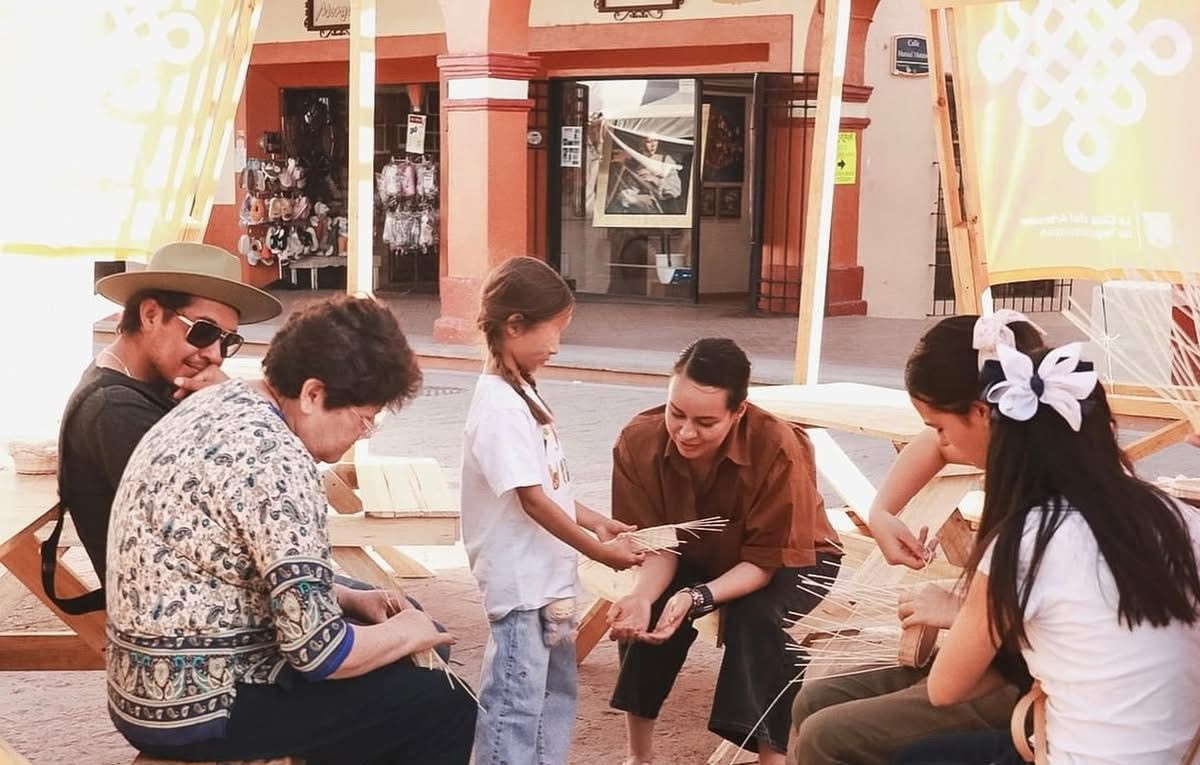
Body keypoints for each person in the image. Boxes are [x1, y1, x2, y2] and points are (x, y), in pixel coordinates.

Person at [105, 295, 476, 764]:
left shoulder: (227, 399)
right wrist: (413, 632)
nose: (360, 436)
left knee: (397, 633)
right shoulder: (278, 459)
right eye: (363, 420)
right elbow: (322, 654)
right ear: (313, 394)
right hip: (196, 706)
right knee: (445, 704)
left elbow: (234, 563)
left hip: (142, 683)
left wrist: (348, 596)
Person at [894, 341, 1200, 764]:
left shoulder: (1026, 539)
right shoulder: (1183, 519)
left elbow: (944, 688)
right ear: (1105, 430)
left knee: (917, 758)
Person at [790, 312, 1045, 765]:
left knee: (823, 738)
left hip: (1029, 682)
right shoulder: (1023, 436)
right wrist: (882, 512)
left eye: (938, 425)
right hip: (996, 657)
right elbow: (937, 445)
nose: (937, 442)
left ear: (982, 412)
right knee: (813, 699)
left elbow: (956, 680)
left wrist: (957, 611)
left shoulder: (1039, 503)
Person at [607, 337, 841, 765]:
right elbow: (661, 547)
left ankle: (771, 759)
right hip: (698, 554)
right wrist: (642, 595)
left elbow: (764, 564)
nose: (686, 432)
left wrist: (697, 597)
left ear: (739, 412)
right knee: (649, 605)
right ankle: (638, 757)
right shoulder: (637, 441)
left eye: (705, 421)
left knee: (758, 616)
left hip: (797, 558)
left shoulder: (778, 445)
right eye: (676, 413)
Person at [461, 256, 645, 765]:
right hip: (522, 586)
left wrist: (595, 521)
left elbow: (546, 487)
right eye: (552, 331)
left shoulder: (521, 393)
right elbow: (532, 499)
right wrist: (601, 552)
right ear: (514, 325)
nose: (557, 345)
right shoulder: (499, 404)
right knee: (516, 707)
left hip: (547, 581)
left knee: (552, 699)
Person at [46, 241, 281, 614]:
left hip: (212, 601)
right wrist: (234, 409)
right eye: (204, 332)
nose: (215, 354)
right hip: (187, 624)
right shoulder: (115, 409)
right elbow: (222, 521)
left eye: (229, 341)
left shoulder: (158, 388)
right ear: (151, 314)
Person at [607, 134, 683, 215]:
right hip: (630, 208)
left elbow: (675, 189)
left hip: (656, 208)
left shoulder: (665, 160)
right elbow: (617, 189)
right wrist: (633, 198)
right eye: (648, 141)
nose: (653, 145)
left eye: (655, 140)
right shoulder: (630, 158)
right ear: (640, 143)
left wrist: (657, 181)